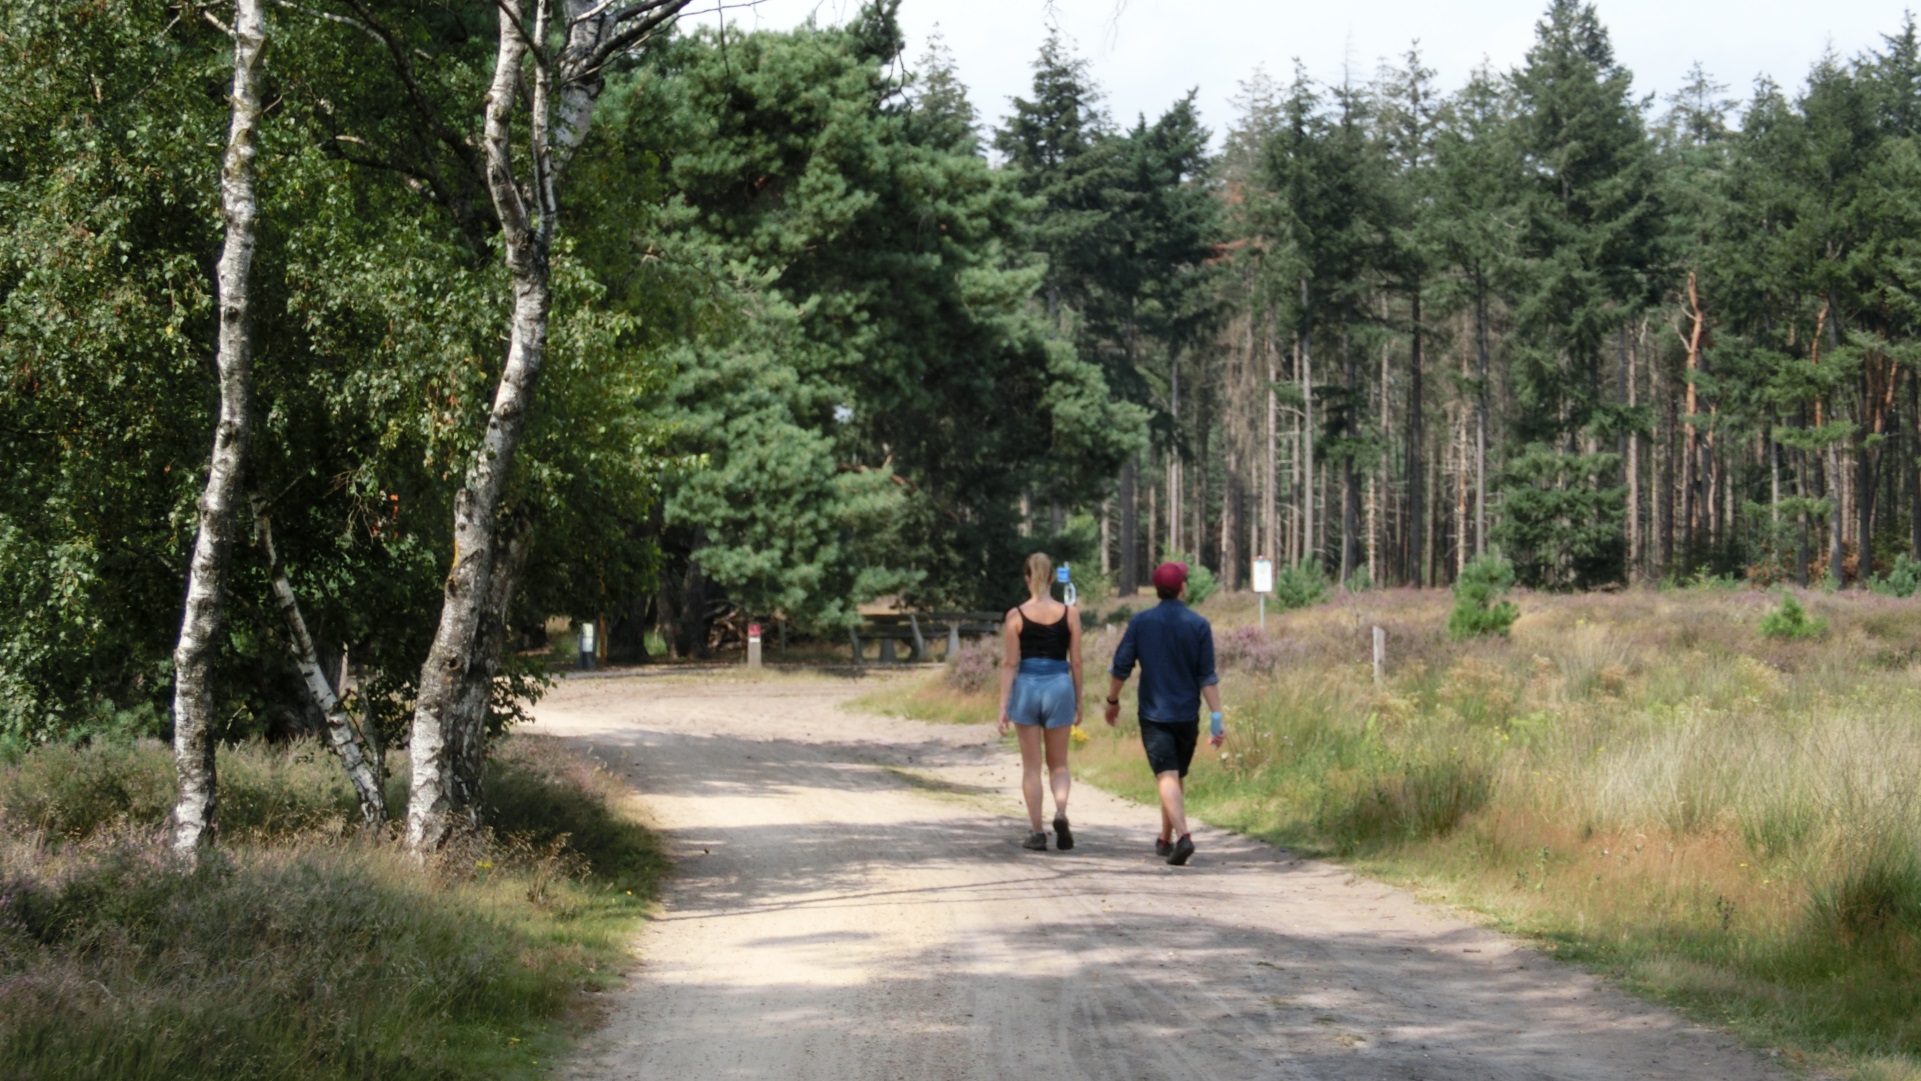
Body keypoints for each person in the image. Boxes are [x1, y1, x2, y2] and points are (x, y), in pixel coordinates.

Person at [1103, 561, 1224, 866]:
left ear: (1157, 589)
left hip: (1155, 714)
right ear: (1183, 587)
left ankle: (1182, 836)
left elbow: (1121, 667)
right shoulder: (1198, 625)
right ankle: (1165, 839)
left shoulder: (1141, 623)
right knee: (1173, 776)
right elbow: (1206, 676)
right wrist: (1217, 718)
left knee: (1167, 775)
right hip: (1187, 715)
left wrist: (1112, 701)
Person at [997, 552, 1084, 851]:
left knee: (1031, 767)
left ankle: (1037, 832)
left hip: (1028, 687)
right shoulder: (1070, 614)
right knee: (1059, 764)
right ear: (1050, 578)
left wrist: (1002, 707)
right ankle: (1060, 810)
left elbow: (1009, 663)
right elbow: (1078, 662)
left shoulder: (1015, 616)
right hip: (1060, 685)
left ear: (1027, 578)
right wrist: (1079, 700)